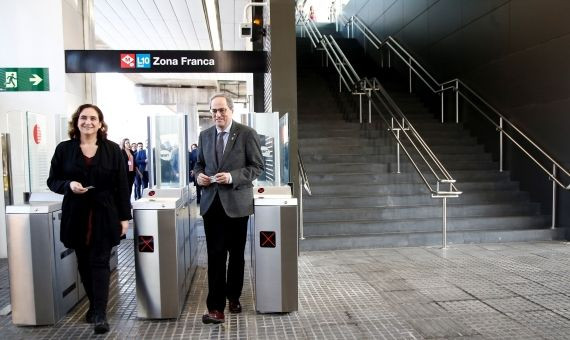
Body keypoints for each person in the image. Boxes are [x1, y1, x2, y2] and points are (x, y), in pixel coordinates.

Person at [47, 104, 131, 334]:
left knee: (100, 262)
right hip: (76, 214)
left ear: (101, 123)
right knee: (83, 262)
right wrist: (68, 185)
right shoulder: (64, 150)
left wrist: (125, 217)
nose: (88, 122)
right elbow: (52, 180)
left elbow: (122, 186)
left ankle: (100, 314)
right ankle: (94, 305)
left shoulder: (113, 150)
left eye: (93, 118)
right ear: (76, 122)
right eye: (83, 118)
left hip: (105, 213)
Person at [195, 93, 263, 324]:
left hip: (236, 205)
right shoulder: (205, 136)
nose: (217, 115)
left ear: (231, 110)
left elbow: (256, 167)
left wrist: (232, 177)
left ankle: (233, 296)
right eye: (214, 111)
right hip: (211, 204)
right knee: (215, 257)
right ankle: (215, 308)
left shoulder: (246, 134)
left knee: (236, 256)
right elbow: (198, 164)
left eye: (222, 110)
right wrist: (199, 177)